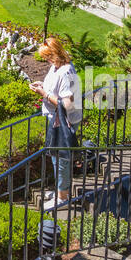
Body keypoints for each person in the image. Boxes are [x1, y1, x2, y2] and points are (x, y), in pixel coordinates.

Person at [30, 36, 81, 205]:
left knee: (61, 159)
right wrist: (42, 87)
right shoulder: (56, 67)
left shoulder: (66, 71)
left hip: (64, 121)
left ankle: (62, 197)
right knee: (55, 157)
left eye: (47, 56)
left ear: (55, 53)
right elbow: (55, 90)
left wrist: (44, 94)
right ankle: (60, 191)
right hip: (55, 119)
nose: (46, 60)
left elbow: (67, 103)